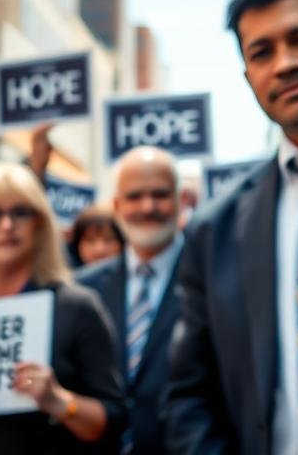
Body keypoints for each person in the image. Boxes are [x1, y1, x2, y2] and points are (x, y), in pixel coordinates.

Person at [164, 0, 298, 455]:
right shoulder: (214, 229)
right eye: (262, 53)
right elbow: (188, 397)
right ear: (248, 77)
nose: (284, 64)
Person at [0, 162, 124, 454]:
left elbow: (112, 420)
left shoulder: (76, 306)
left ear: (40, 223)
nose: (7, 225)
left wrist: (59, 401)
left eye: (20, 212)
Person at [77, 146, 184, 454]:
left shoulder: (211, 276)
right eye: (135, 196)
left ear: (179, 200)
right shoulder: (86, 288)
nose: (148, 206)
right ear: (116, 205)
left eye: (160, 194)